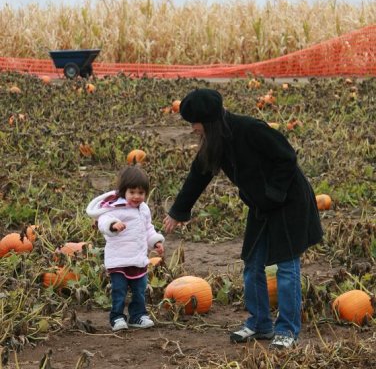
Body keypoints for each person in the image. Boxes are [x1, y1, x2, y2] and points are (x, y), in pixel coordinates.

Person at [163, 88, 323, 349]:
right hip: (262, 206)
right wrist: (178, 211)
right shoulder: (218, 142)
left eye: (196, 123)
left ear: (209, 121)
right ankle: (260, 323)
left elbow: (287, 157)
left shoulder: (251, 129)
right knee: (252, 264)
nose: (193, 129)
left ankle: (287, 330)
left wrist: (274, 193)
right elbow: (199, 174)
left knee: (285, 266)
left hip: (288, 202)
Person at [86, 165, 165, 332]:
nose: (136, 196)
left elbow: (148, 229)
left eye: (141, 193)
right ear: (124, 191)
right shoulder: (115, 208)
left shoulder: (144, 209)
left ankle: (138, 316)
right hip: (118, 260)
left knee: (139, 290)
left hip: (138, 258)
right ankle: (117, 317)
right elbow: (103, 221)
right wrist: (113, 225)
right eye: (132, 192)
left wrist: (155, 242)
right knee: (119, 291)